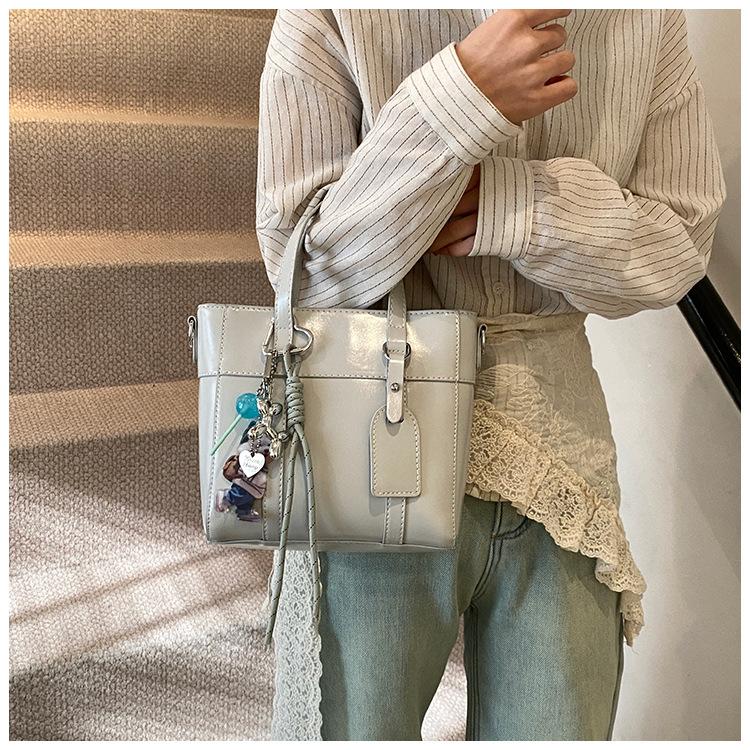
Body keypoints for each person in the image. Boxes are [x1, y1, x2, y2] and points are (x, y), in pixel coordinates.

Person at [254, 9, 726, 741]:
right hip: (370, 436)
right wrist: (462, 96)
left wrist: (516, 203)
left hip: (560, 458)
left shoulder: (645, 16)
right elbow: (307, 271)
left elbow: (681, 244)